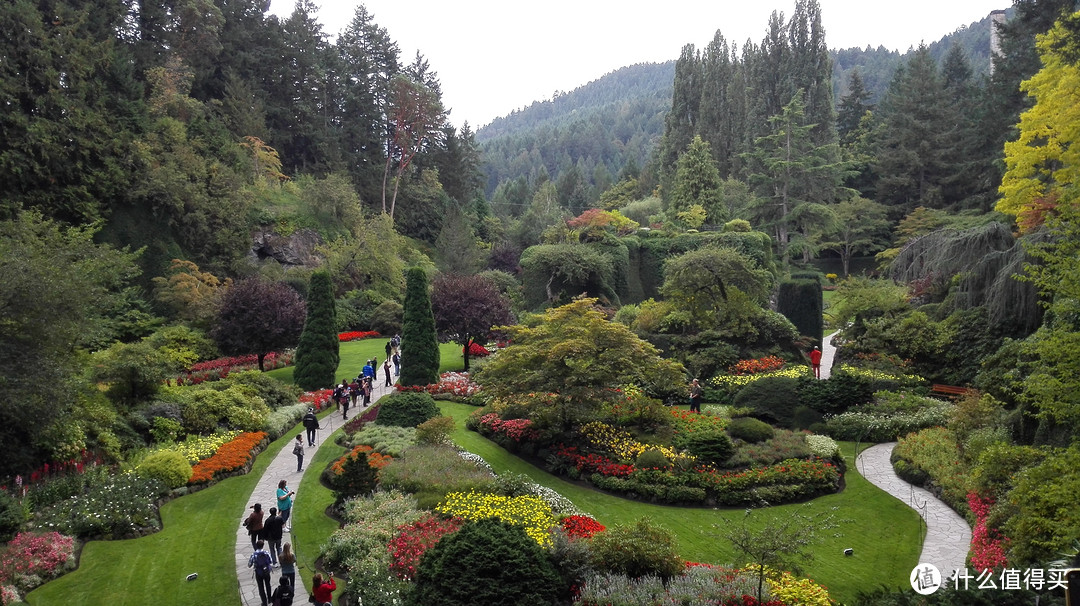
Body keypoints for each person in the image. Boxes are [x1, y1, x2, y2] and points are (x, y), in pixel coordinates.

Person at [248, 539, 274, 606]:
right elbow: (270, 561)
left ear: (256, 546)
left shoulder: (254, 554)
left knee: (261, 587)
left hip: (258, 572)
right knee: (268, 585)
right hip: (266, 571)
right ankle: (269, 599)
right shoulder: (266, 553)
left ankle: (264, 602)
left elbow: (249, 565)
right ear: (263, 545)